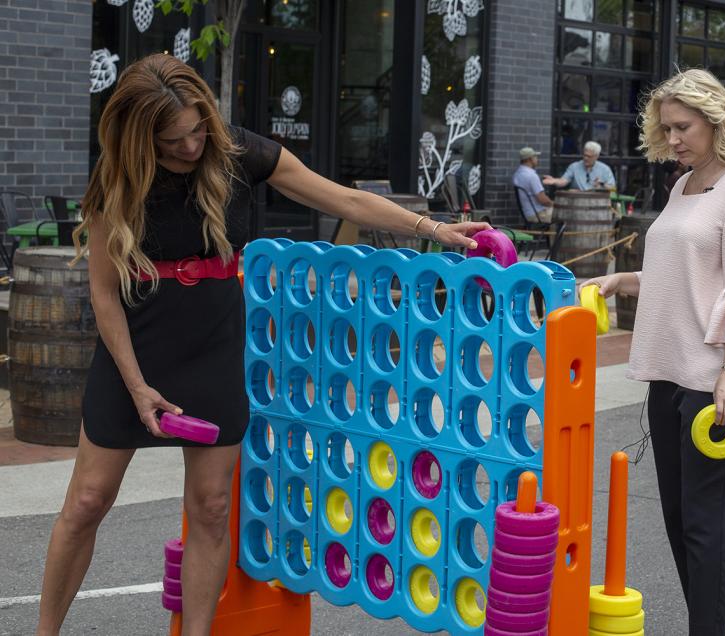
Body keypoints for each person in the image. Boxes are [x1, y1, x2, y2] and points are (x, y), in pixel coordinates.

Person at [36, 54, 488, 636]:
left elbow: (343, 199)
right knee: (88, 501)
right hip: (135, 353)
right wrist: (136, 385)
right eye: (175, 140)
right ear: (141, 135)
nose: (194, 145)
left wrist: (436, 232)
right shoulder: (117, 175)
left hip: (212, 348)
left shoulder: (235, 151)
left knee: (212, 508)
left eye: (199, 128)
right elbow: (103, 294)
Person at [582, 68, 725, 636]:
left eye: (683, 126)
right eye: (665, 128)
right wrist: (625, 279)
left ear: (715, 121)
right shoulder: (685, 184)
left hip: (715, 381)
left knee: (708, 524)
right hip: (669, 374)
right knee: (679, 518)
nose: (673, 139)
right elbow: (687, 275)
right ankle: (716, 615)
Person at [544, 140, 616, 191]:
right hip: (578, 203)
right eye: (584, 155)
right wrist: (554, 181)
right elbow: (564, 181)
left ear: (596, 156)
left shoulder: (605, 169)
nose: (585, 158)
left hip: (597, 204)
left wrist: (601, 185)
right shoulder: (574, 167)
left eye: (589, 156)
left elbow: (613, 188)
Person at [512, 146, 554, 223]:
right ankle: (554, 235)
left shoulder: (517, 174)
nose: (537, 159)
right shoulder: (532, 176)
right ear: (530, 159)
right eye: (535, 157)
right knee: (562, 214)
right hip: (537, 214)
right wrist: (554, 205)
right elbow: (543, 200)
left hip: (527, 213)